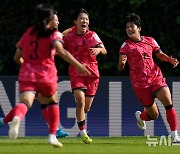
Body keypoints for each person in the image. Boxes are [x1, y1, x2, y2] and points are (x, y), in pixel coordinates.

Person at [0, 4, 90, 148]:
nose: (58, 21)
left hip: (27, 74)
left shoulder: (29, 32)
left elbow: (17, 57)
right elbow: (62, 51)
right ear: (50, 19)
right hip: (46, 75)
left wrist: (27, 64)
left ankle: (17, 117)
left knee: (25, 103)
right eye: (56, 19)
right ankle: (52, 135)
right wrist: (79, 66)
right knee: (52, 102)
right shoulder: (52, 34)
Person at [118, 13, 180, 143]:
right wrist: (122, 63)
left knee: (168, 103)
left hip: (156, 78)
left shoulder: (150, 40)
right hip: (140, 85)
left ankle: (175, 136)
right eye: (127, 27)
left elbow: (160, 54)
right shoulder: (126, 46)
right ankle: (140, 116)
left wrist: (169, 59)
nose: (129, 29)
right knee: (154, 115)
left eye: (132, 26)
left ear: (139, 28)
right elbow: (120, 67)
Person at [63, 8, 107, 144]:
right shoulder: (69, 37)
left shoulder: (92, 35)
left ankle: (82, 126)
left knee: (86, 107)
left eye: (86, 19)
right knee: (80, 101)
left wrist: (99, 49)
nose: (85, 21)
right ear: (75, 21)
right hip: (76, 73)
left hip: (92, 74)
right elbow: (58, 38)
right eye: (81, 18)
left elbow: (104, 50)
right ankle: (83, 133)